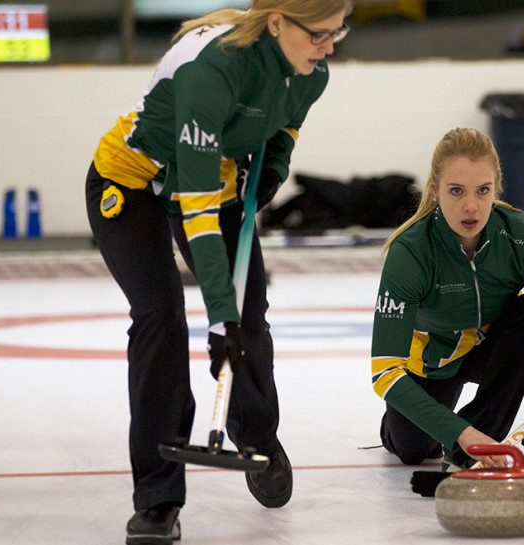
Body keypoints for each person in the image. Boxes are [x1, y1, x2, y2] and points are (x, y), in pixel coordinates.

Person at [84, 1, 352, 543]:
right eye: (320, 34)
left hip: (216, 178)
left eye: (338, 32)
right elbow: (197, 209)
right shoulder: (212, 70)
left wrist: (274, 166)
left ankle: (255, 433)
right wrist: (217, 319)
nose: (330, 47)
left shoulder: (312, 71)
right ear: (278, 22)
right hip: (131, 183)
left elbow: (286, 121)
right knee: (161, 317)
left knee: (249, 316)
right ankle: (157, 497)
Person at [371, 127, 524, 474]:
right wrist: (458, 432)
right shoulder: (411, 252)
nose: (471, 206)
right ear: (435, 189)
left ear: (496, 186)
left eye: (483, 190)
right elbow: (385, 373)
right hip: (433, 362)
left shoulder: (522, 235)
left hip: (492, 351)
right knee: (413, 451)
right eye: (456, 191)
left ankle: (480, 436)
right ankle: (429, 427)